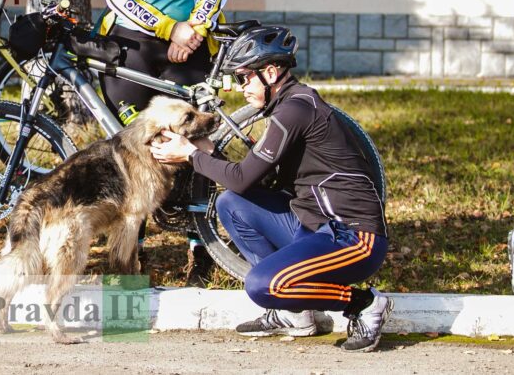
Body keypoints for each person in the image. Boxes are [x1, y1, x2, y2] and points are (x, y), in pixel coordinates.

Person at [149, 25, 392, 352]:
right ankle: (296, 314)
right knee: (231, 204)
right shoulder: (289, 106)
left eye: (243, 77)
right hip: (316, 227)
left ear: (271, 72)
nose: (240, 87)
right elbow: (254, 181)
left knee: (262, 285)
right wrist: (208, 152)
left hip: (353, 238)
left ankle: (363, 303)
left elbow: (239, 177)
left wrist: (191, 154)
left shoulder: (295, 110)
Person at [96, 0, 230, 280]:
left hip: (192, 40)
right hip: (134, 45)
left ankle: (202, 249)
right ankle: (134, 250)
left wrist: (194, 27)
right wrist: (169, 27)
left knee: (194, 143)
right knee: (134, 151)